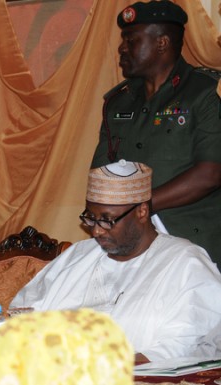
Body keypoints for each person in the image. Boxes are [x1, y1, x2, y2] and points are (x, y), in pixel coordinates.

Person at [11, 160, 221, 363]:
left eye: (107, 219)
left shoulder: (185, 262)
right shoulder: (79, 255)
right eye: (90, 217)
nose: (96, 230)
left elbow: (183, 347)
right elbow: (22, 314)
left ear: (142, 211)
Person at [91, 1, 221, 265]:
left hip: (195, 243)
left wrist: (139, 207)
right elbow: (100, 177)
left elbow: (211, 173)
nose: (122, 48)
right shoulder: (118, 102)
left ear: (162, 43)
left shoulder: (206, 93)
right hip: (130, 246)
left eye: (131, 40)